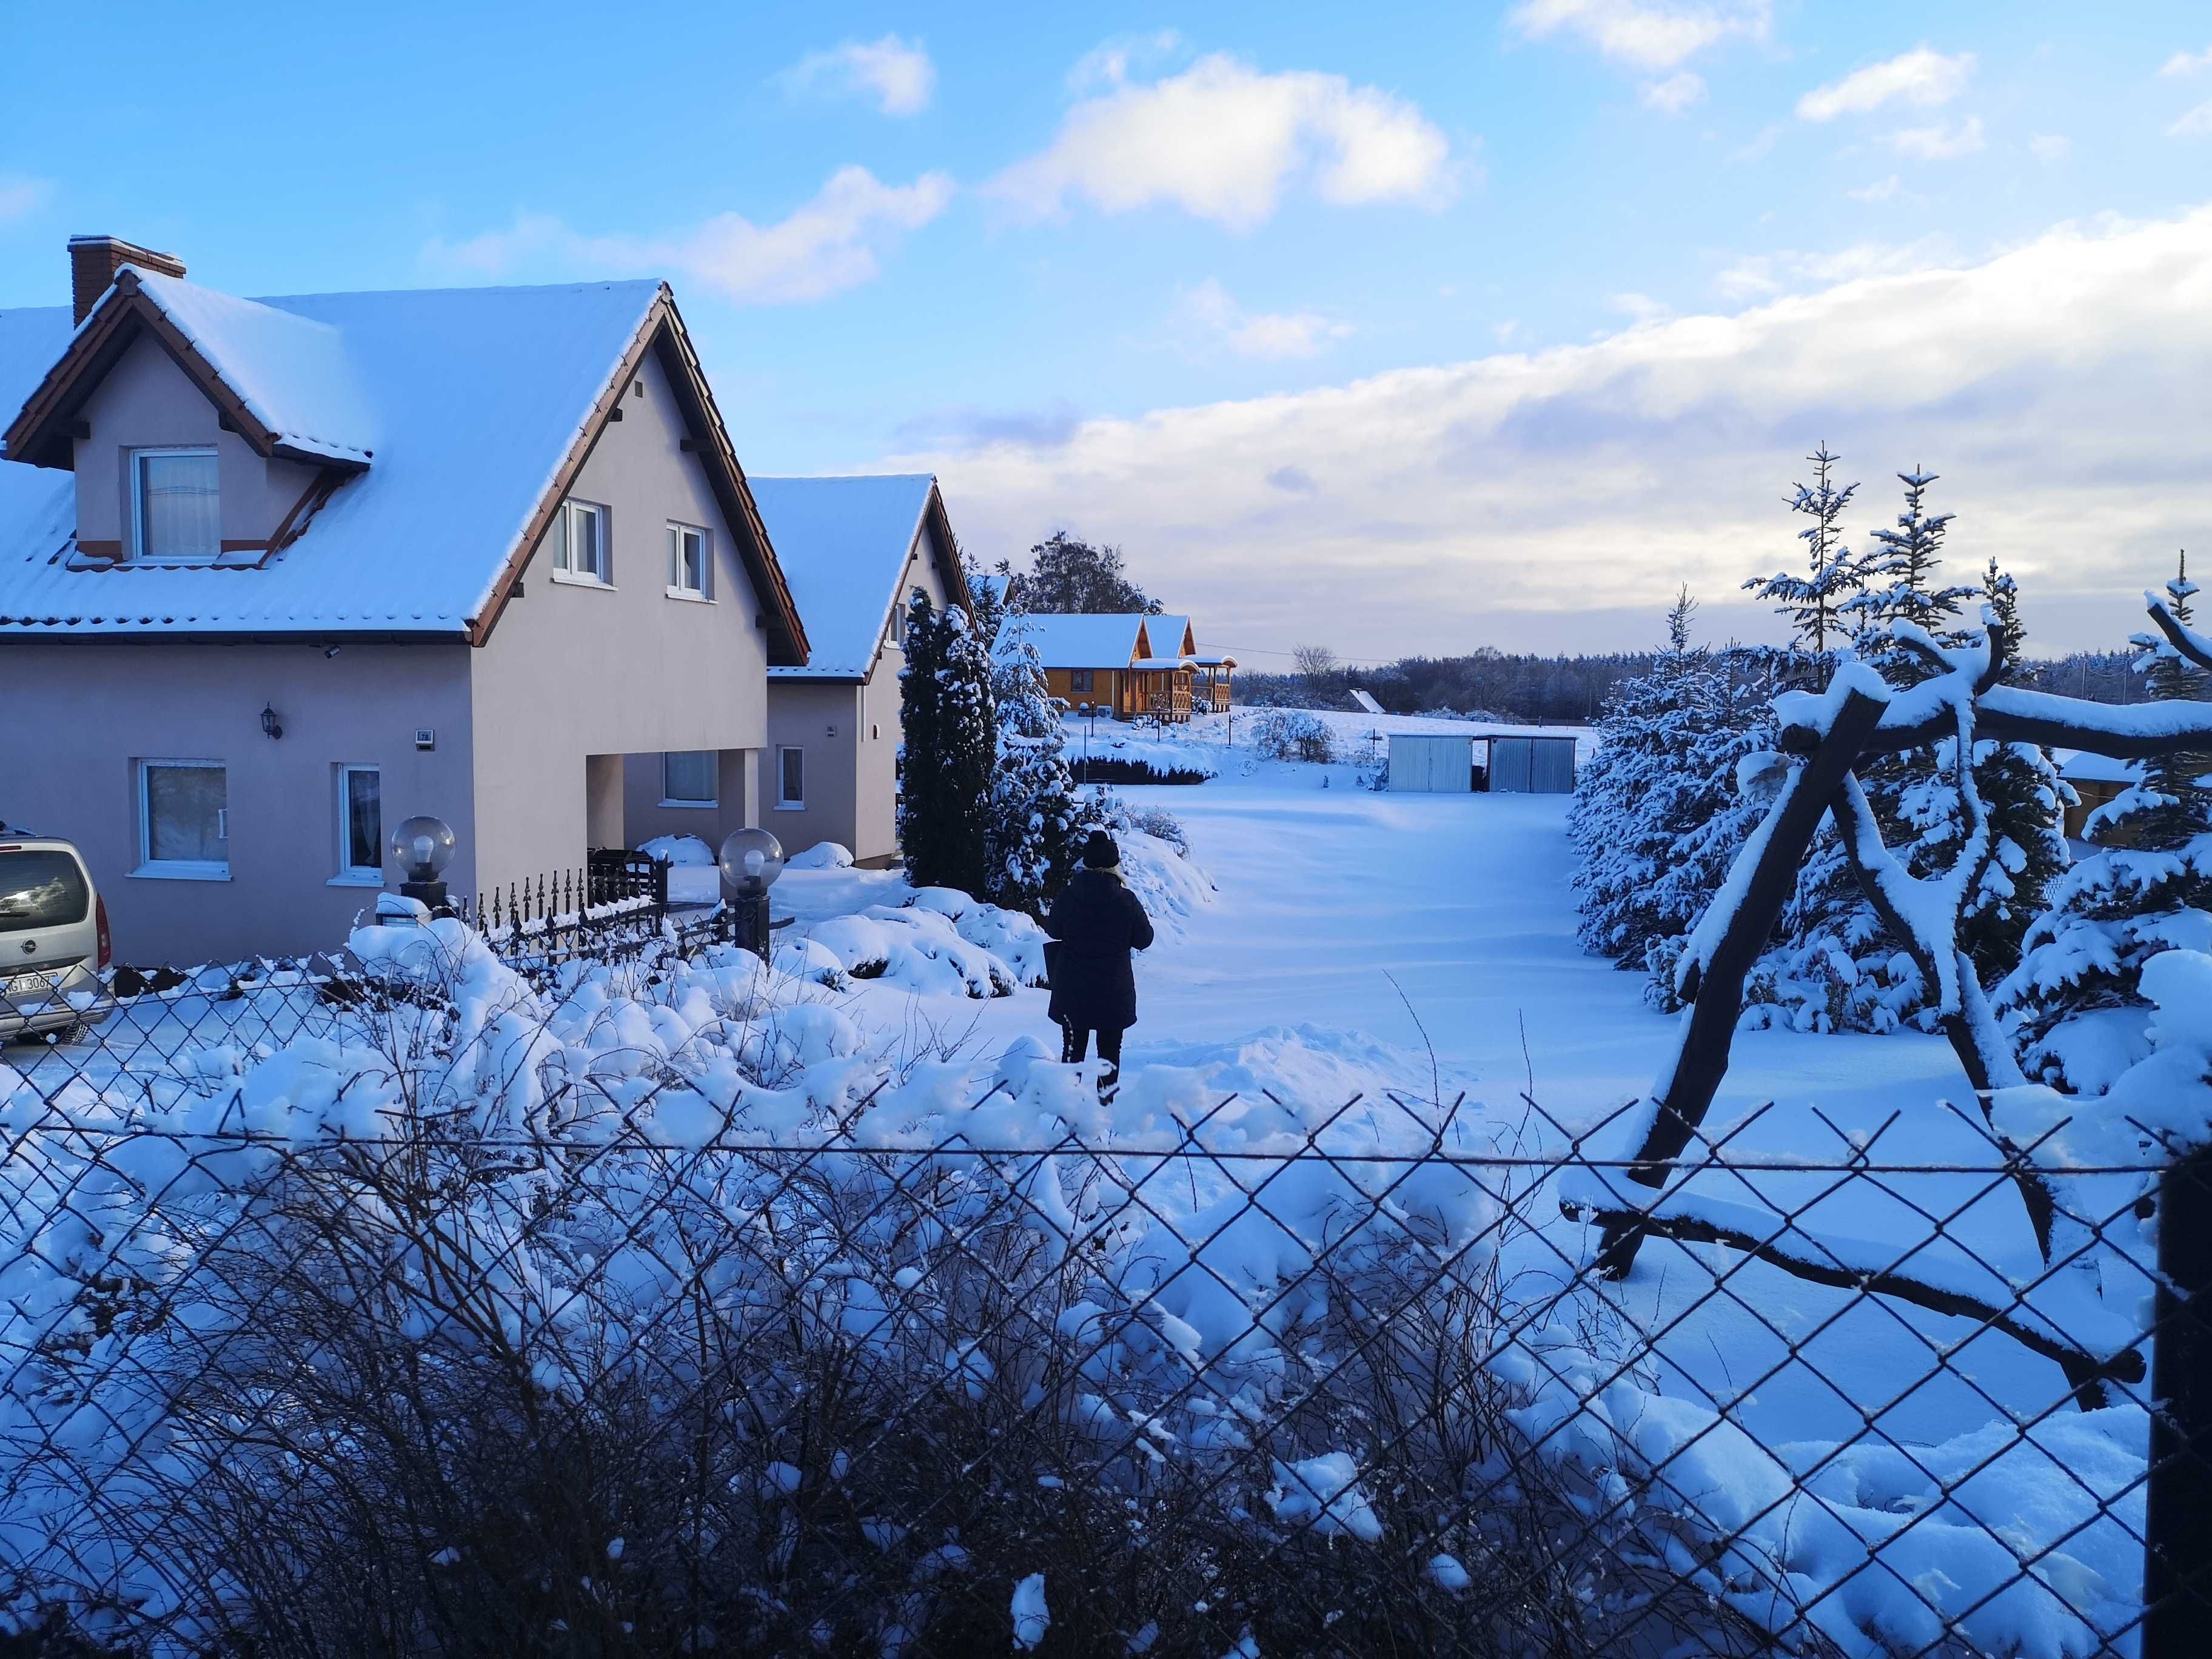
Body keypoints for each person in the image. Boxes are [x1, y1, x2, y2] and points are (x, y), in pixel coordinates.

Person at [1045, 830, 1155, 1096]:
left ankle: (1067, 1114)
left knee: (1072, 1053)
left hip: (1072, 989)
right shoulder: (1126, 900)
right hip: (1113, 990)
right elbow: (1144, 939)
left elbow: (1053, 931)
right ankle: (1104, 1114)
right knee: (1109, 1055)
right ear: (1115, 864)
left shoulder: (1068, 896)